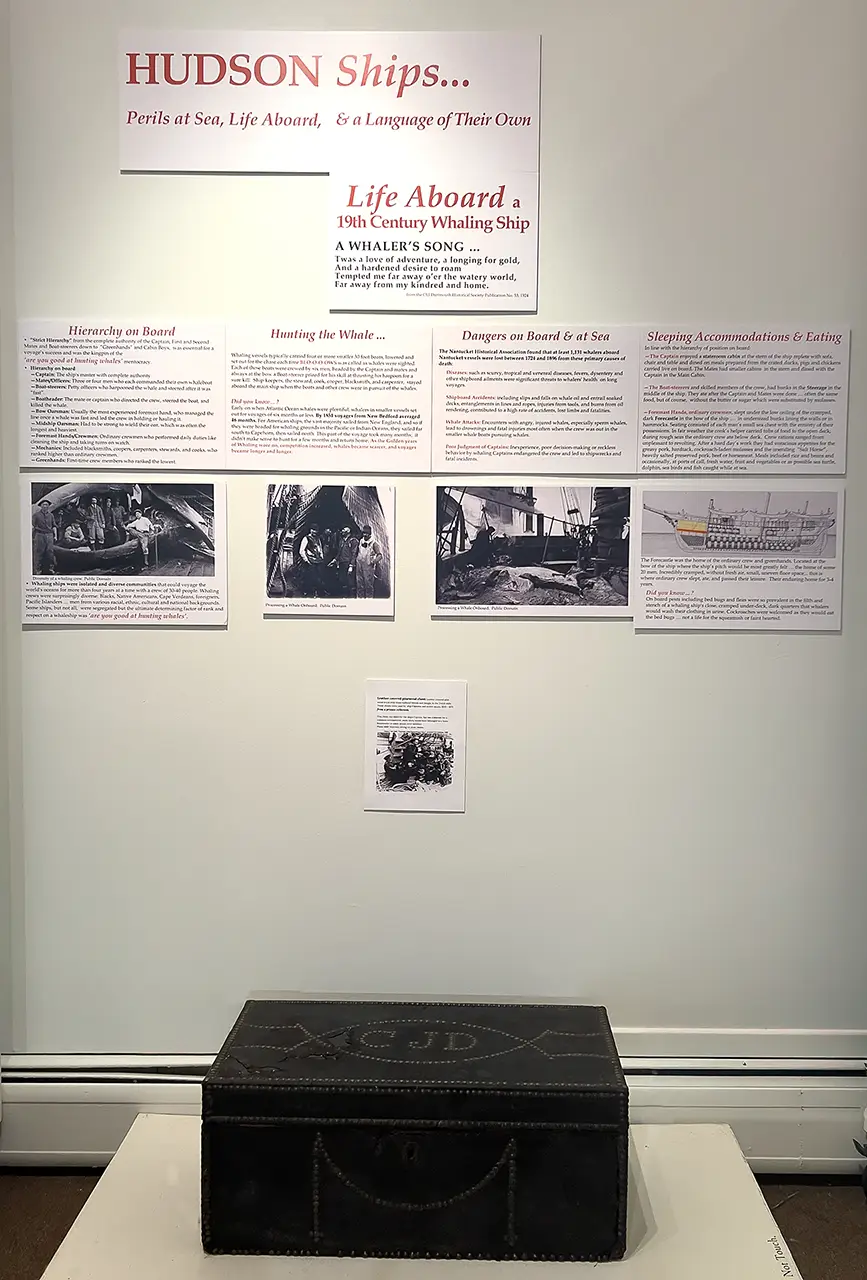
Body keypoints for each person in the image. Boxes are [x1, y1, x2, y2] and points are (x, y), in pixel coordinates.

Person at [355, 524, 383, 599]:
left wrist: (373, 561)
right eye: (364, 533)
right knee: (359, 583)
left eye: (366, 533)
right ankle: (359, 599)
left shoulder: (374, 543)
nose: (365, 535)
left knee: (368, 585)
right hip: (359, 564)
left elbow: (380, 555)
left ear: (370, 534)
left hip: (368, 566)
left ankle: (369, 600)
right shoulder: (361, 541)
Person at [298, 524, 325, 595]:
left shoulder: (318, 539)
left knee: (318, 577)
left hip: (318, 560)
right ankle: (307, 592)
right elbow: (301, 550)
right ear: (310, 530)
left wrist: (321, 557)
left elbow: (320, 548)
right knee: (309, 577)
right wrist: (306, 560)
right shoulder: (306, 538)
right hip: (310, 561)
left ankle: (317, 592)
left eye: (316, 530)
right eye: (313, 530)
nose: (314, 531)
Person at [32, 498, 57, 574]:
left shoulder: (51, 515)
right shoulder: (36, 515)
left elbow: (54, 525)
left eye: (47, 505)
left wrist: (55, 535)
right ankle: (37, 569)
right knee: (39, 552)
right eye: (43, 505)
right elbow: (33, 525)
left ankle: (50, 568)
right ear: (41, 506)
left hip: (49, 535)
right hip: (40, 535)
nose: (45, 506)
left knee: (50, 552)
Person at [335, 527, 359, 596]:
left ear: (348, 531)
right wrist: (335, 560)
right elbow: (339, 552)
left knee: (350, 582)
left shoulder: (353, 541)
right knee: (342, 580)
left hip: (348, 563)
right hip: (342, 563)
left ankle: (351, 597)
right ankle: (345, 596)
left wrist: (351, 565)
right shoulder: (341, 540)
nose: (342, 531)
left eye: (344, 529)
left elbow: (354, 553)